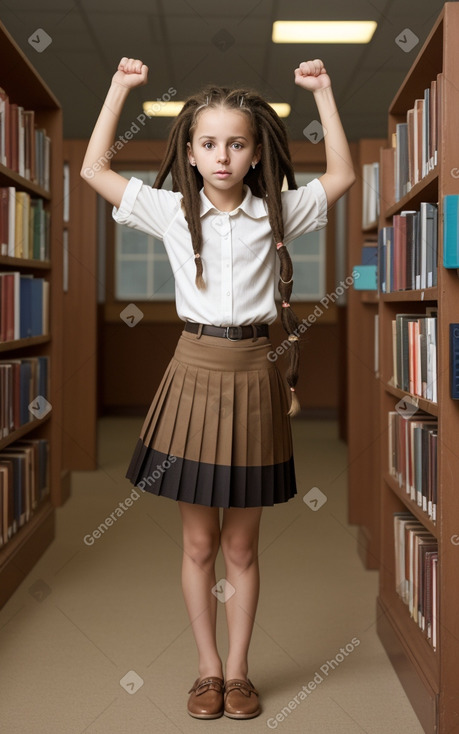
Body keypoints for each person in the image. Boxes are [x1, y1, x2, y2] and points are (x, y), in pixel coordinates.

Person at [81, 56, 355, 720]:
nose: (223, 155)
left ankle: (239, 673)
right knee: (199, 543)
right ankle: (205, 670)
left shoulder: (280, 212)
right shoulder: (172, 211)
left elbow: (342, 175)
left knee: (241, 545)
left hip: (256, 373)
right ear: (190, 151)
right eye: (208, 143)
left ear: (257, 148)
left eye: (236, 142)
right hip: (193, 372)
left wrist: (320, 93)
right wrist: (120, 88)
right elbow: (94, 171)